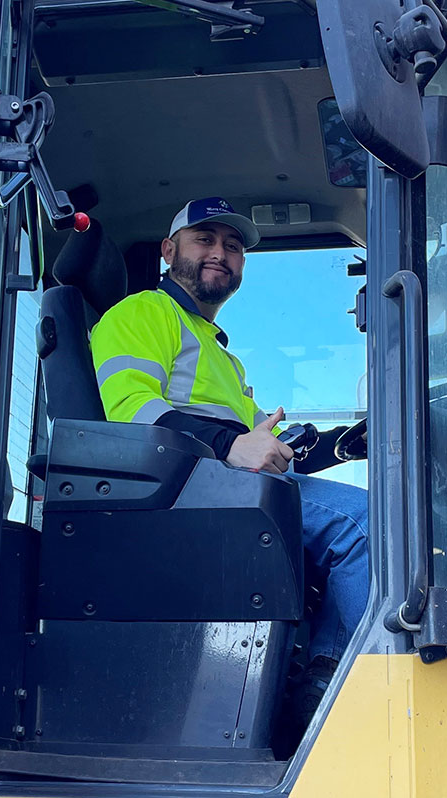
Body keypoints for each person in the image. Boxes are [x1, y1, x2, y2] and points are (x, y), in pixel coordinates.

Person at [89, 197, 370, 730]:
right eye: (206, 239)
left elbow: (272, 442)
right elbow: (129, 411)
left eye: (234, 246)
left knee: (370, 517)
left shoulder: (220, 354)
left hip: (230, 485)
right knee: (368, 526)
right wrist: (229, 446)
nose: (221, 253)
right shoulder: (143, 312)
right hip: (187, 489)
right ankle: (338, 691)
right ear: (170, 251)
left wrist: (346, 443)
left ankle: (323, 677)